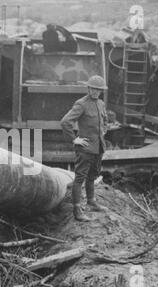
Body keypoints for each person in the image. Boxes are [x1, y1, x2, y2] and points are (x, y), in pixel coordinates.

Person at [61, 75, 108, 222]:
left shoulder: (101, 103)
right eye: (93, 89)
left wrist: (103, 132)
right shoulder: (81, 104)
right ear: (88, 88)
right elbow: (65, 122)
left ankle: (91, 201)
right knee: (80, 178)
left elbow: (105, 120)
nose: (95, 92)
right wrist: (75, 139)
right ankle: (77, 209)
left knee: (92, 176)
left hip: (98, 147)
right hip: (85, 149)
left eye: (98, 90)